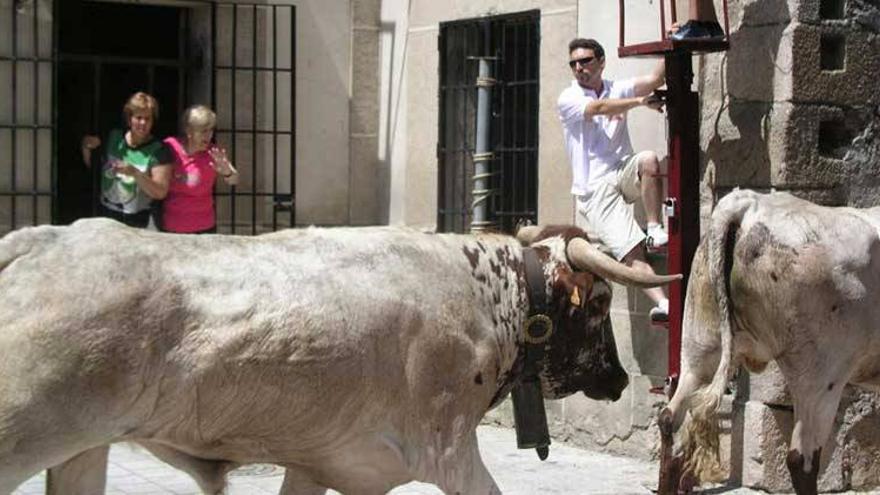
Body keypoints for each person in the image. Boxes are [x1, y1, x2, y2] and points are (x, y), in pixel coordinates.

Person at [557, 38, 670, 322]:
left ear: (601, 62)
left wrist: (676, 39)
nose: (579, 68)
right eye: (574, 64)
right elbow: (599, 108)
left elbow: (657, 78)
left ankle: (654, 228)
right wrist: (639, 102)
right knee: (631, 252)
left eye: (585, 61)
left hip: (621, 171)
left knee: (648, 160)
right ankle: (663, 305)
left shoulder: (615, 87)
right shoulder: (569, 98)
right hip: (595, 189)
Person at [81, 92, 172, 228]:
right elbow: (92, 165)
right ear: (129, 119)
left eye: (148, 118)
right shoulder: (113, 137)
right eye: (138, 117)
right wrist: (85, 147)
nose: (143, 123)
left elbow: (160, 192)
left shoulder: (159, 150)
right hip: (106, 217)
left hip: (139, 221)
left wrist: (135, 173)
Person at [161, 104, 239, 234]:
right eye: (203, 131)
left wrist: (227, 172)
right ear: (189, 131)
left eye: (211, 130)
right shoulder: (170, 147)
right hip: (173, 228)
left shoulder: (213, 152)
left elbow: (234, 180)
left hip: (204, 228)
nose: (209, 135)